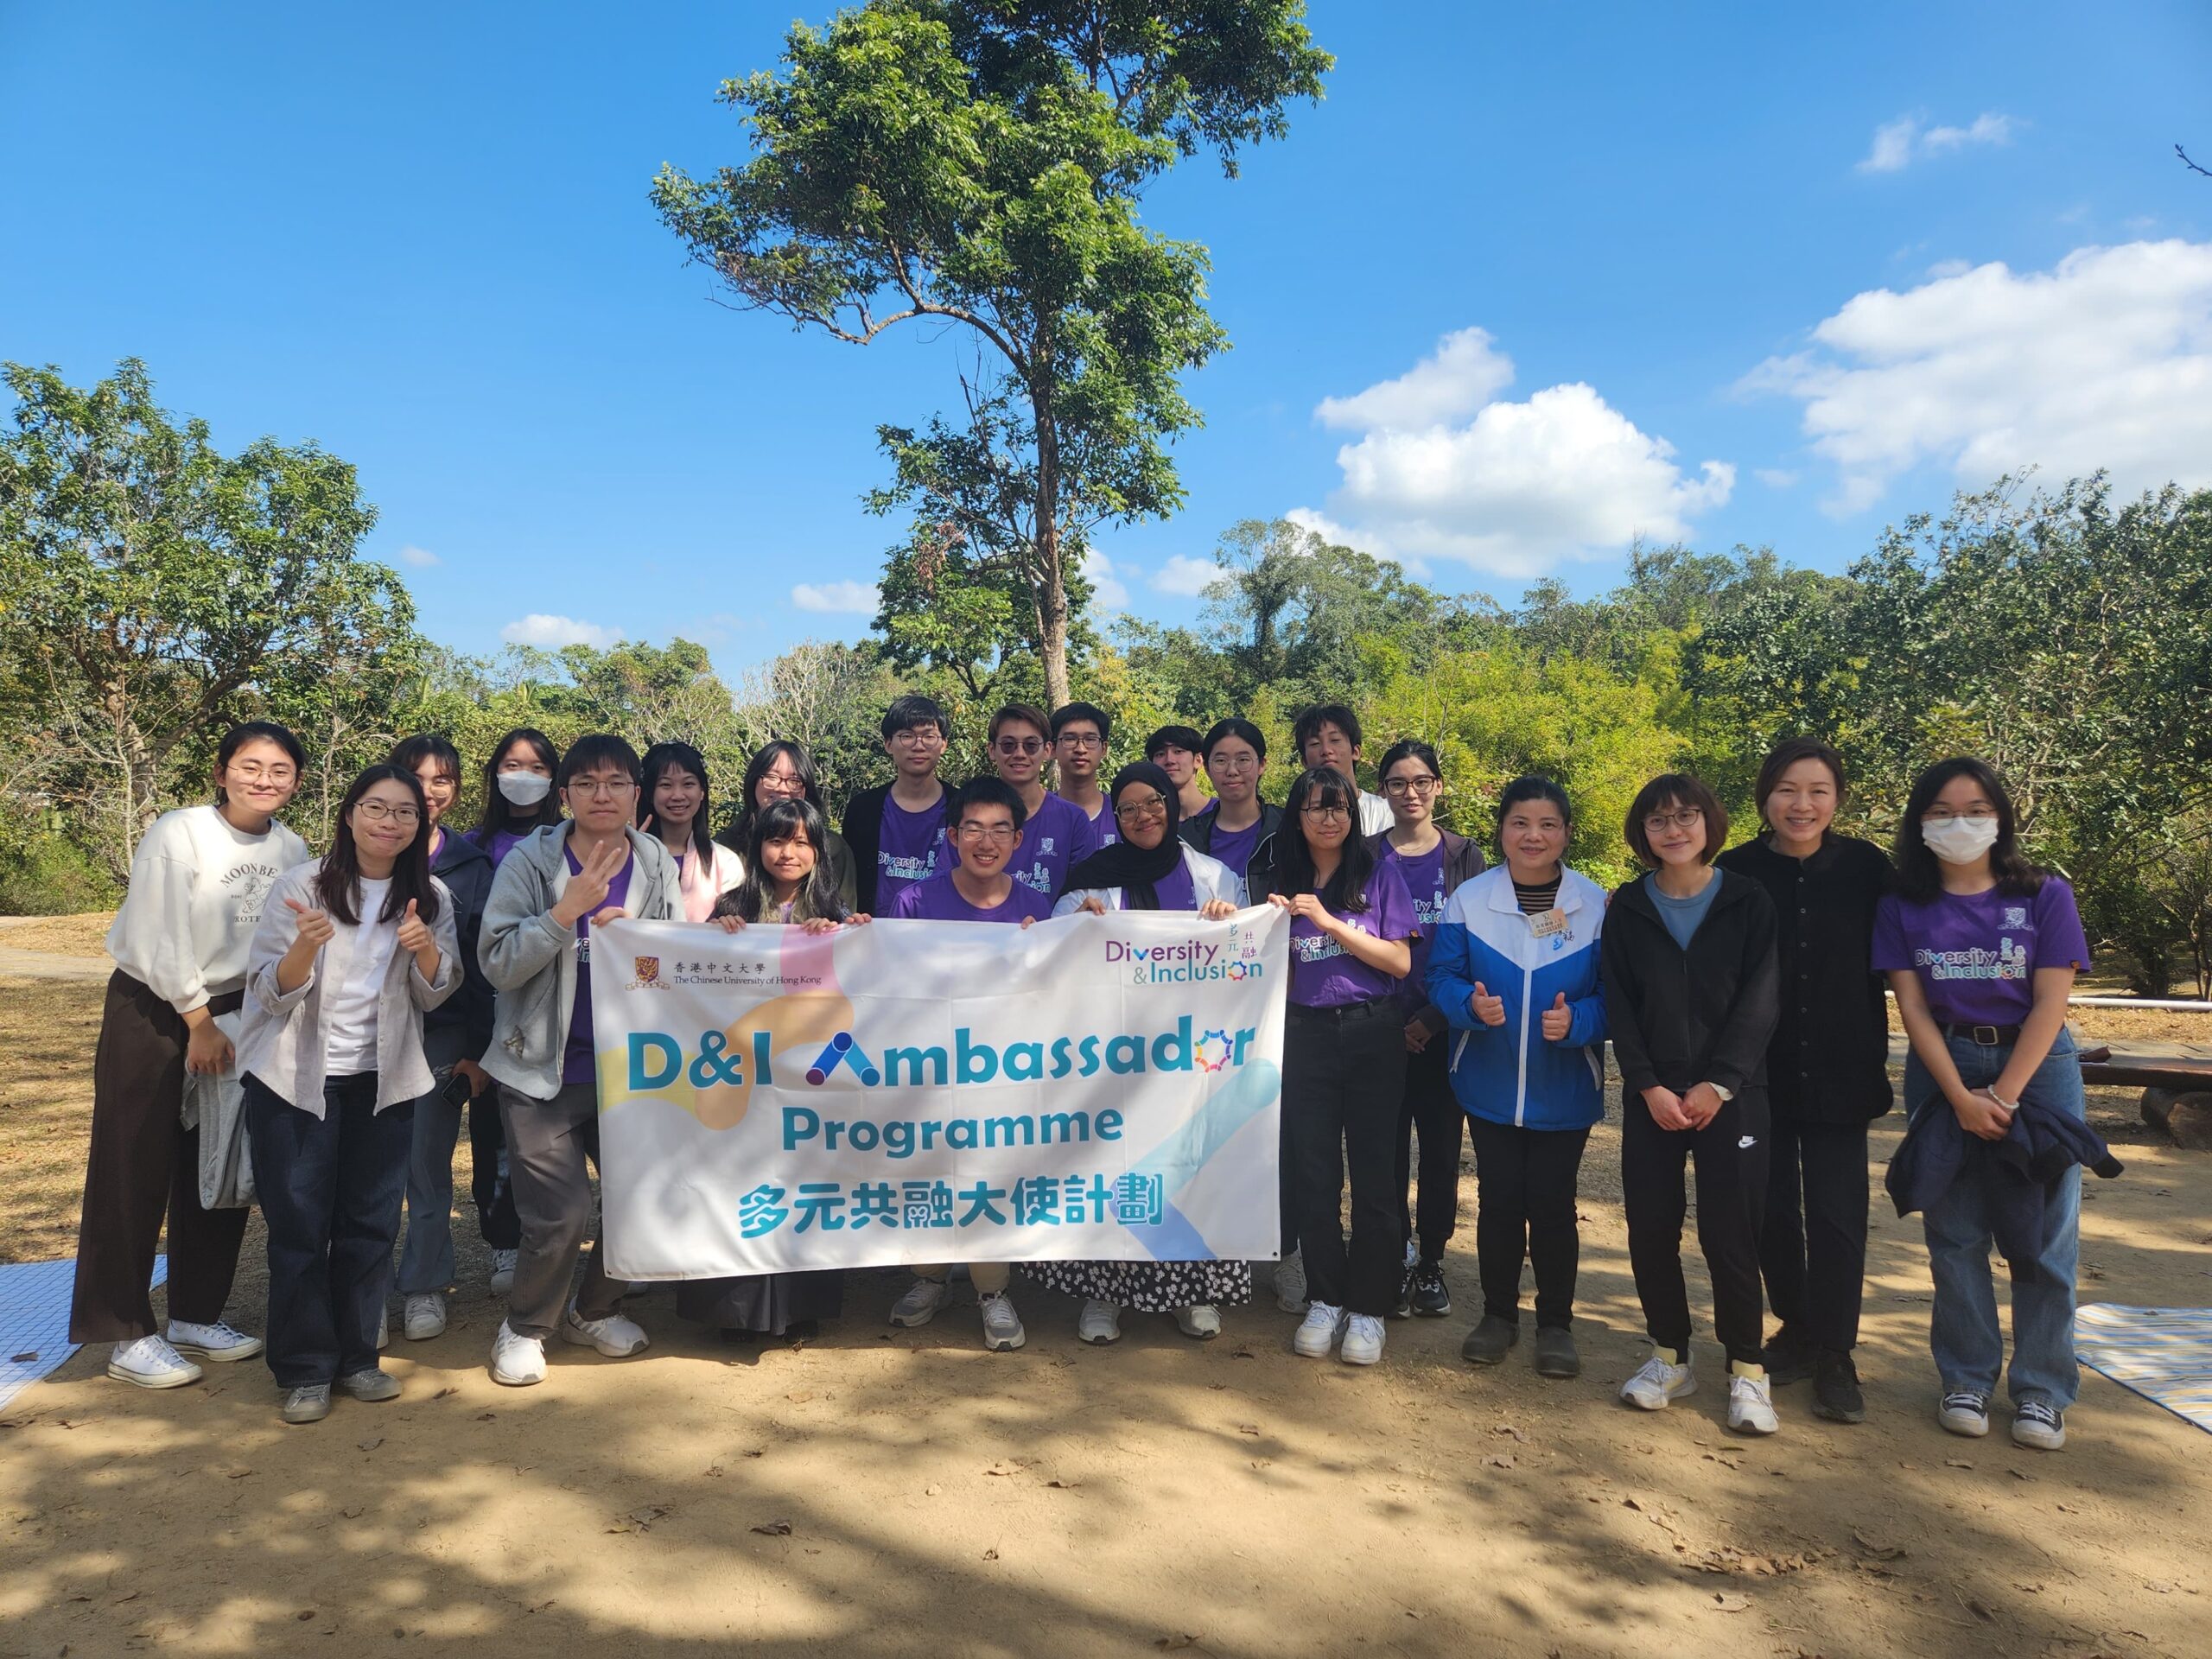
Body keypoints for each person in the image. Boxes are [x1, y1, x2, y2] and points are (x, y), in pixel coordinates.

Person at [70, 721, 312, 1389]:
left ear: (296, 781)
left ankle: (195, 1314)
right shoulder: (178, 833)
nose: (264, 780)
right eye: (250, 765)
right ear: (222, 769)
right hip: (156, 1009)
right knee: (133, 1161)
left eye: (280, 770)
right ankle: (123, 1330)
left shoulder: (292, 847)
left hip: (241, 1014)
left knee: (220, 1163)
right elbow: (158, 935)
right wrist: (198, 1021)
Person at [1874, 757, 2092, 1452]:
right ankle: (1965, 1376)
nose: (1959, 823)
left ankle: (2042, 1389)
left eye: (1974, 808)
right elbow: (1911, 1007)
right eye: (1940, 811)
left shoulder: (2044, 895)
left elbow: (2052, 1000)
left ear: (2000, 817)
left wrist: (2002, 1094)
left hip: (2039, 1067)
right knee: (1956, 1231)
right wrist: (1960, 1097)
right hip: (1945, 1064)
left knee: (2047, 1235)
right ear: (1919, 823)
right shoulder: (1902, 904)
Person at [238, 764, 461, 1423]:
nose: (389, 823)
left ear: (421, 825)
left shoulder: (431, 896)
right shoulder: (301, 885)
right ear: (349, 814)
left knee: (368, 1223)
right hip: (295, 1080)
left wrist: (423, 950)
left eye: (405, 813)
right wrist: (304, 948)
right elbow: (268, 991)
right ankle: (306, 1369)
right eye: (376, 808)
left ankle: (359, 1357)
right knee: (300, 1227)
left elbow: (438, 990)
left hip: (381, 1081)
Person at [478, 734, 680, 1387]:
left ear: (635, 794)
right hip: (540, 1068)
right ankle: (525, 1327)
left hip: (628, 1069)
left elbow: (671, 966)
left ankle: (593, 1310)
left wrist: (639, 942)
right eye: (587, 784)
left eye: (617, 783)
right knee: (560, 1213)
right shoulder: (530, 862)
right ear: (564, 795)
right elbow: (498, 963)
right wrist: (567, 913)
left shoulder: (653, 861)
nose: (603, 795)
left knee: (642, 1200)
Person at [1037, 762, 1250, 1342]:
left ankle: (1192, 1293)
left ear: (1171, 803)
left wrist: (1229, 926)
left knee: (1186, 1170)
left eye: (1152, 802)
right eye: (1127, 808)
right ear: (1115, 816)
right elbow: (1055, 956)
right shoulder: (1092, 877)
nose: (1142, 816)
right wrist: (1074, 924)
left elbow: (1244, 960)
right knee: (1110, 1168)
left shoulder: (1214, 877)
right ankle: (1103, 1297)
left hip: (1190, 1057)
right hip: (1112, 1056)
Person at [1714, 738, 1892, 1424]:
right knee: (1771, 1212)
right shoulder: (1736, 872)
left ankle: (1838, 1353)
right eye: (1788, 789)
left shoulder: (1868, 869)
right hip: (1758, 1074)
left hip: (1845, 1069)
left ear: (1836, 799)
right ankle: (1796, 1324)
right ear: (1765, 796)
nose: (1802, 804)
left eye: (1817, 790)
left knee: (1838, 1215)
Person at [1602, 773, 1782, 1435]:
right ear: (1642, 833)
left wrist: (1721, 1082)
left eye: (1685, 817)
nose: (1673, 830)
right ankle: (1670, 1357)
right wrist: (1647, 1083)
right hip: (1653, 1096)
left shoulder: (1747, 901)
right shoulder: (1628, 908)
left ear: (1710, 823)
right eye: (1657, 821)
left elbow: (1762, 999)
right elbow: (1620, 1001)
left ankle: (1748, 1370)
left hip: (1732, 1097)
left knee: (1730, 1234)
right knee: (1651, 1228)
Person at [1427, 776, 1607, 1379]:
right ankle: (1499, 1316)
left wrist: (1580, 1020)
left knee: (1554, 1206)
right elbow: (1442, 978)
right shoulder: (1470, 901)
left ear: (1566, 833)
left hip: (1566, 1088)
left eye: (1548, 824)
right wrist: (1468, 1008)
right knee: (1500, 1202)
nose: (1533, 836)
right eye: (1520, 823)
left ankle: (1556, 1325)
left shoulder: (1596, 904)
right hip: (1488, 1081)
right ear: (1501, 830)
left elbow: (1620, 998)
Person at [683, 798, 867, 1342]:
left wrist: (853, 931)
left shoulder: (833, 909)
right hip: (745, 1075)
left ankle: (799, 1309)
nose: (789, 853)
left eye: (803, 843)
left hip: (808, 1082)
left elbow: (862, 981)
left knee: (801, 1187)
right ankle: (731, 1313)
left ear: (818, 850)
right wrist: (720, 931)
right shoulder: (730, 906)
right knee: (741, 1184)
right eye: (778, 841)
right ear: (759, 845)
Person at [887, 778, 1052, 1351]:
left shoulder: (1036, 908)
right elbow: (885, 986)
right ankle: (929, 1278)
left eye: (1000, 829)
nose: (987, 840)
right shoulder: (912, 902)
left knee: (991, 1179)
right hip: (928, 1071)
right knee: (930, 1175)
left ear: (1019, 839)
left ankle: (992, 1290)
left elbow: (1053, 993)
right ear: (953, 836)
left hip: (1001, 1074)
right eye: (974, 829)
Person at [1269, 765, 1419, 1366]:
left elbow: (1400, 963)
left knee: (1376, 1178)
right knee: (1314, 1173)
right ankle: (1326, 1298)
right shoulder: (1284, 884)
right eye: (1314, 808)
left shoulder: (1378, 875)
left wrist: (1329, 921)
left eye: (1337, 807)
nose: (1327, 818)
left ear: (1353, 816)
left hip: (1373, 1035)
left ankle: (1369, 1307)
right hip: (1304, 1037)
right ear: (1298, 817)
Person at [389, 734, 515, 1343]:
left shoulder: (472, 866)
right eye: (417, 776)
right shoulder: (360, 854)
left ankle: (423, 1286)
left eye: (443, 779)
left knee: (427, 1166)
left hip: (440, 1036)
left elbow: (490, 969)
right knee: (362, 1168)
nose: (429, 789)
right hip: (361, 1039)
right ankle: (360, 1287)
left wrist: (481, 1047)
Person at [1367, 741, 1485, 1320]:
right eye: (1396, 783)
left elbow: (1480, 945)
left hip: (1445, 1034)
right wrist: (1393, 1021)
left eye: (1420, 782)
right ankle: (1393, 1256)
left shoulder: (1465, 857)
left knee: (1440, 1155)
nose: (1409, 793)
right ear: (1383, 790)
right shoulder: (1363, 854)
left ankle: (1432, 1262)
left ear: (1438, 786)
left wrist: (1435, 1019)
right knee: (1383, 1155)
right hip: (1378, 1030)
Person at [843, 695, 953, 914]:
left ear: (943, 745)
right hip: (875, 938)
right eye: (906, 736)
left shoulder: (962, 806)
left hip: (944, 938)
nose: (918, 746)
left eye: (929, 736)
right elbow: (848, 882)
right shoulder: (862, 809)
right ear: (888, 744)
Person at [977, 702, 1096, 899]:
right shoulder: (970, 816)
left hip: (1054, 930)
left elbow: (1084, 897)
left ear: (1048, 750)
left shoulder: (1073, 820)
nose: (1020, 754)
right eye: (1008, 745)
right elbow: (950, 886)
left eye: (1031, 746)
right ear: (992, 750)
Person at [721, 741, 860, 909]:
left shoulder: (833, 848)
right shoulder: (725, 848)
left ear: (806, 788)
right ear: (753, 781)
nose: (782, 788)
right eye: (772, 778)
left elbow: (844, 919)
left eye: (794, 780)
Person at [639, 741, 745, 923]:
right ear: (649, 793)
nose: (678, 795)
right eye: (666, 785)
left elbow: (738, 934)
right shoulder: (629, 857)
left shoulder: (725, 863)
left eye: (688, 784)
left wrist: (723, 926)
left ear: (702, 792)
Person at [1180, 717, 1283, 899]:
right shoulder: (1186, 840)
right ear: (1207, 767)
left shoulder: (1287, 829)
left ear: (1262, 765)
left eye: (1243, 760)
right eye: (1221, 761)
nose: (1232, 771)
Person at [467, 728, 565, 870]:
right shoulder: (473, 844)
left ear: (553, 776)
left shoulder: (570, 839)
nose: (523, 777)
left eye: (537, 767)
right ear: (496, 771)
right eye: (512, 766)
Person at [1294, 703, 1392, 836]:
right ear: (1304, 761)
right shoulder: (1299, 818)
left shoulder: (1385, 812)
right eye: (1315, 743)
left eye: (1335, 740)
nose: (1326, 750)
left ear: (1356, 751)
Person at [1050, 701, 1116, 848]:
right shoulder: (1038, 815)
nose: (1081, 749)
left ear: (1104, 749)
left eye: (1090, 739)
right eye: (1070, 739)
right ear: (1053, 748)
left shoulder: (1122, 815)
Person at [1146, 723, 1212, 822]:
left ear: (1198, 760)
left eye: (1178, 751)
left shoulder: (1223, 813)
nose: (1169, 760)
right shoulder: (1148, 821)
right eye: (1160, 754)